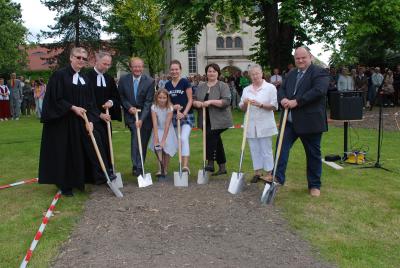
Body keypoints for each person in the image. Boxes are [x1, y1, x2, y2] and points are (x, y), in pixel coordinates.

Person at [39, 47, 114, 196]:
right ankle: (64, 184)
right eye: (78, 57)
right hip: (63, 123)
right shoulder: (59, 76)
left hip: (81, 122)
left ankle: (94, 177)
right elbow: (55, 99)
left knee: (89, 145)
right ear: (71, 58)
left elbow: (91, 103)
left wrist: (91, 120)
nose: (81, 60)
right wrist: (72, 107)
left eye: (84, 58)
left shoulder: (85, 79)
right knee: (65, 153)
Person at [275, 46, 330, 197]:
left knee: (313, 154)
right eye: (297, 58)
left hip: (310, 122)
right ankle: (278, 178)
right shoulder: (291, 74)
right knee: (280, 150)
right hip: (289, 122)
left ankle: (314, 185)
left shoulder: (320, 72)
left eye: (303, 57)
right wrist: (283, 99)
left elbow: (319, 91)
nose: (300, 60)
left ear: (310, 57)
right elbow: (281, 89)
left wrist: (297, 102)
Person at [238, 64, 278, 183]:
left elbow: (274, 106)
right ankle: (257, 172)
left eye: (257, 73)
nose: (255, 76)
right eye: (252, 74)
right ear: (249, 76)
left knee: (266, 149)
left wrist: (260, 104)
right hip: (250, 123)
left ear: (261, 73)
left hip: (265, 123)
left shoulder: (270, 88)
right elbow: (242, 108)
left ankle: (269, 173)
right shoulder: (246, 89)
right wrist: (245, 103)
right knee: (254, 149)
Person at [193, 63, 233, 176]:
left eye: (214, 71)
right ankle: (222, 167)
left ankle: (210, 162)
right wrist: (196, 103)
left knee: (210, 135)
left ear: (218, 73)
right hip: (205, 119)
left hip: (220, 120)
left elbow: (226, 101)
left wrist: (211, 102)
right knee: (216, 140)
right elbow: (195, 99)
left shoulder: (223, 86)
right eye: (209, 71)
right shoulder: (201, 86)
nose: (211, 73)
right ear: (206, 73)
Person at [118, 57, 155, 177]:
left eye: (140, 66)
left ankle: (140, 165)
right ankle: (136, 166)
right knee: (135, 138)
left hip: (145, 116)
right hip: (131, 115)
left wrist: (141, 119)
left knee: (143, 141)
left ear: (142, 67)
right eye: (135, 66)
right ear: (131, 67)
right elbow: (121, 97)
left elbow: (148, 102)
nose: (138, 69)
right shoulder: (123, 80)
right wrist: (129, 107)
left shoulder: (149, 81)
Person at [87, 51, 122, 172]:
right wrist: (99, 114)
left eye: (109, 64)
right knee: (96, 145)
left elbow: (116, 96)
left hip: (106, 119)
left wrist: (110, 103)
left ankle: (109, 169)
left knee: (107, 144)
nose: (106, 67)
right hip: (92, 119)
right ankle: (98, 173)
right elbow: (86, 100)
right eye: (104, 64)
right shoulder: (87, 77)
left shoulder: (109, 78)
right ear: (97, 61)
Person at [165, 60, 194, 173]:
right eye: (172, 69)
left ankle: (185, 166)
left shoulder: (185, 82)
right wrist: (173, 107)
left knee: (183, 138)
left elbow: (190, 99)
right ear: (170, 71)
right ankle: (174, 165)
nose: (174, 71)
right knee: (177, 141)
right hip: (174, 116)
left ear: (180, 70)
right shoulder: (167, 84)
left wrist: (184, 113)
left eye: (176, 69)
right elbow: (168, 101)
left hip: (187, 115)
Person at [148, 89, 177, 177]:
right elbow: (155, 123)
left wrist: (163, 140)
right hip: (158, 129)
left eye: (164, 98)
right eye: (160, 97)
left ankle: (165, 168)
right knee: (158, 148)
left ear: (167, 98)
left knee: (167, 149)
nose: (162, 100)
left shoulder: (170, 108)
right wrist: (156, 138)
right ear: (156, 98)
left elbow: (167, 125)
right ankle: (160, 168)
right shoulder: (154, 107)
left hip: (168, 130)